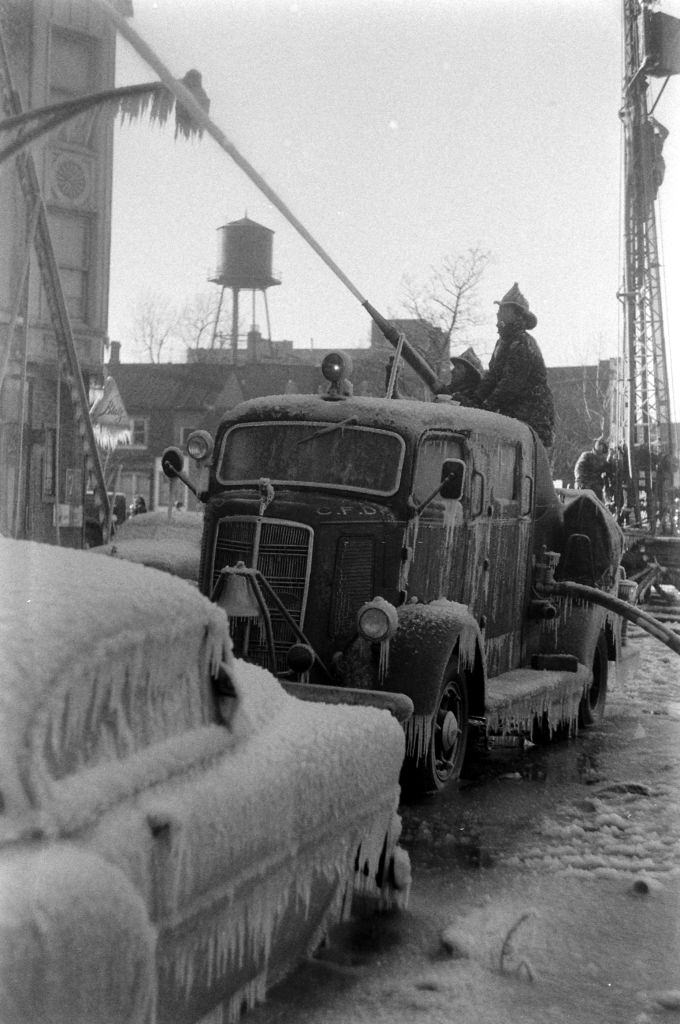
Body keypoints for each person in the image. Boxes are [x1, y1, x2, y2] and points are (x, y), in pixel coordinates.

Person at [475, 283, 555, 448]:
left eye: (504, 311)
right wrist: (475, 399)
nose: (498, 316)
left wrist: (485, 406)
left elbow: (511, 384)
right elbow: (493, 375)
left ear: (517, 315)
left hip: (530, 418)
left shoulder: (523, 344)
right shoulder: (504, 343)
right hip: (514, 416)